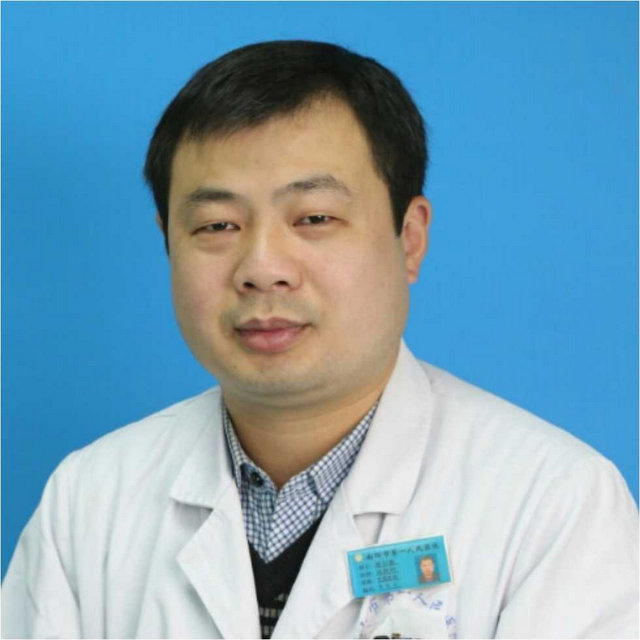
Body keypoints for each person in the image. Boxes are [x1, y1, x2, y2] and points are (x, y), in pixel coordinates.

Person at [2, 40, 637, 640]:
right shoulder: (91, 497)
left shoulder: (552, 504)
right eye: (217, 225)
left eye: (314, 218)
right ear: (168, 240)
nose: (262, 268)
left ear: (410, 238)